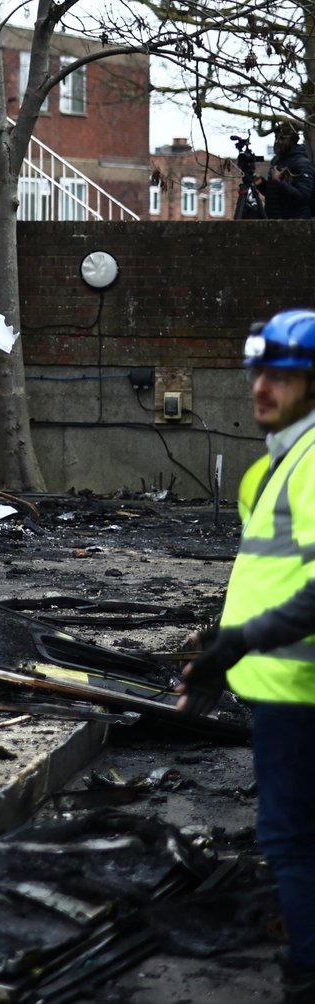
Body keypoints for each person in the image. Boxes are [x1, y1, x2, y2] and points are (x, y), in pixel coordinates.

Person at [179, 308, 315, 1002]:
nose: (263, 386)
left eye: (283, 375)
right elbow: (270, 576)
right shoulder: (277, 465)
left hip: (300, 692)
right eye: (259, 371)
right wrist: (221, 650)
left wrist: (242, 642)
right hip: (275, 683)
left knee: (292, 841)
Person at [262, 124, 315, 220]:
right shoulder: (277, 161)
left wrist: (279, 182)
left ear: (292, 140)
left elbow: (303, 197)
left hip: (295, 223)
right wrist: (261, 184)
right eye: (276, 138)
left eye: (282, 139)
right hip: (274, 221)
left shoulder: (302, 163)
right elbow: (277, 195)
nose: (278, 142)